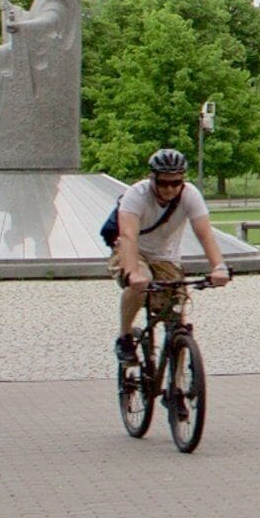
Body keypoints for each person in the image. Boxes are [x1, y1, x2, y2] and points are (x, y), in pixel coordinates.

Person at [109, 148, 229, 360]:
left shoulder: (190, 194)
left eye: (176, 183)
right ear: (152, 178)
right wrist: (132, 273)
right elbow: (128, 236)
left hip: (165, 257)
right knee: (140, 282)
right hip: (133, 251)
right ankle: (125, 335)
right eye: (163, 183)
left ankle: (179, 380)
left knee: (176, 318)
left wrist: (218, 267)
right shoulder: (136, 194)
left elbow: (205, 234)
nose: (170, 189)